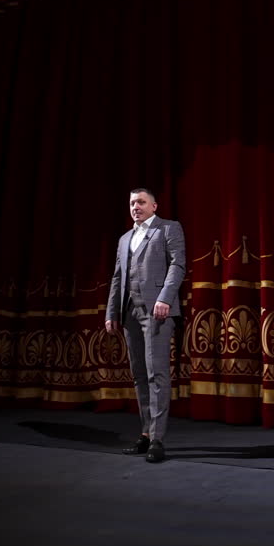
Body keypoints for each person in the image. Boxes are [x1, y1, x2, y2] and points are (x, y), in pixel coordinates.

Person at [104, 187, 186, 463]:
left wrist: (165, 297)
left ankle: (157, 439)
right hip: (130, 313)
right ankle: (146, 433)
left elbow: (177, 265)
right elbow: (118, 277)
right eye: (132, 203)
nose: (135, 207)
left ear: (154, 206)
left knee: (156, 374)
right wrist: (112, 312)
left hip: (157, 311)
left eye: (141, 202)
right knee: (139, 375)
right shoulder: (125, 238)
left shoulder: (168, 229)